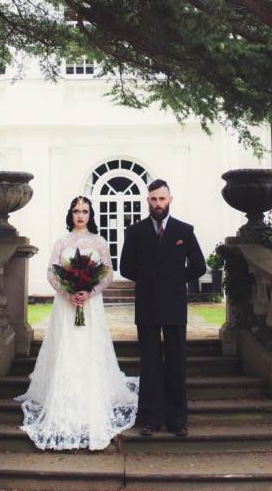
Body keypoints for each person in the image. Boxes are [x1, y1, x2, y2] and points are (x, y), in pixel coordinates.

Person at [15, 196, 138, 450]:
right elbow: (51, 272)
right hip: (66, 303)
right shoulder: (62, 242)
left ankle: (91, 395)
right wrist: (68, 291)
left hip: (90, 305)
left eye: (84, 211)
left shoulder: (99, 242)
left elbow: (108, 273)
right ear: (70, 214)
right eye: (76, 211)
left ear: (91, 214)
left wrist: (88, 292)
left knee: (88, 347)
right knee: (68, 347)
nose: (80, 215)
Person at [119, 179, 205, 437]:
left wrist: (175, 279)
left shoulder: (184, 231)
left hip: (175, 305)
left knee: (177, 362)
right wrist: (149, 280)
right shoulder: (135, 232)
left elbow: (199, 266)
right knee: (150, 363)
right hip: (146, 305)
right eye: (154, 199)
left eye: (162, 199)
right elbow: (125, 267)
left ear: (170, 200)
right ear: (148, 200)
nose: (158, 204)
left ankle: (178, 419)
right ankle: (150, 418)